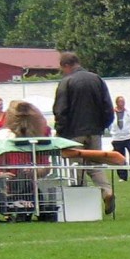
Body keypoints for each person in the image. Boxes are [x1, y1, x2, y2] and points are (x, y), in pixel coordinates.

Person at [53, 52, 115, 214]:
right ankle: (107, 191)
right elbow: (108, 107)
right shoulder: (97, 79)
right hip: (95, 131)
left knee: (76, 167)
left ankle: (81, 204)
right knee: (96, 166)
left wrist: (60, 132)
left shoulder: (66, 82)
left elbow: (60, 110)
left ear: (66, 65)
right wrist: (102, 126)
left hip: (74, 132)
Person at [109, 96, 130, 181]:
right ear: (117, 103)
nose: (122, 103)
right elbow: (108, 124)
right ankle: (122, 176)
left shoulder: (129, 112)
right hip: (117, 138)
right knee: (120, 157)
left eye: (123, 102)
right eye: (120, 102)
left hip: (128, 137)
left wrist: (129, 131)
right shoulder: (111, 113)